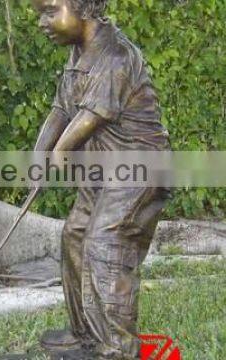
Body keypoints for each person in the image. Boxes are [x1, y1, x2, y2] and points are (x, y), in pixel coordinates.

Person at [30, 0, 171, 358]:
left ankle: (118, 347)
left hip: (138, 171)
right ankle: (86, 335)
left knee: (106, 243)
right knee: (75, 235)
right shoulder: (78, 57)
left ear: (83, 8)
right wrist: (38, 154)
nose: (42, 23)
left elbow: (93, 115)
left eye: (49, 11)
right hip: (103, 171)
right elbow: (62, 110)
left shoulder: (117, 56)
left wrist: (60, 152)